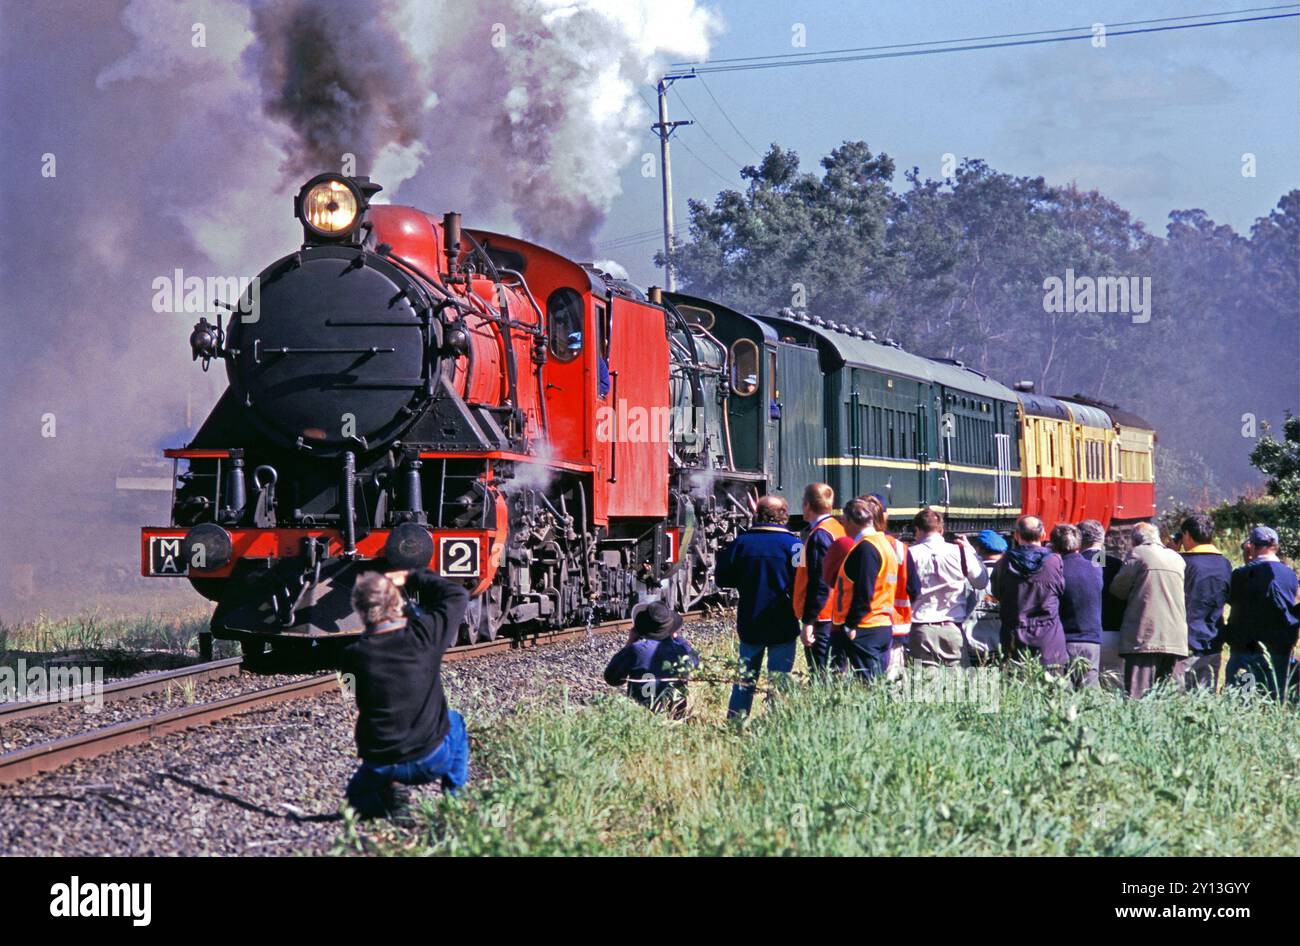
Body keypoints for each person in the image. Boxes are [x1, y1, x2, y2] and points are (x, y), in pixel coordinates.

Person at [341, 568, 470, 819]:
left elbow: (352, 694)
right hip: (431, 759)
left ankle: (389, 798)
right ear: (398, 603)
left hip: (381, 763)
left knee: (355, 802)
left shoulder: (351, 655)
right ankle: (455, 801)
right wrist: (412, 576)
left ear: (360, 610)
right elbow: (457, 595)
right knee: (455, 722)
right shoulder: (424, 636)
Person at [716, 495, 802, 718]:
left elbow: (723, 579)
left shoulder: (740, 544)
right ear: (783, 516)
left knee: (744, 678)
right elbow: (802, 581)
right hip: (783, 621)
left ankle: (736, 720)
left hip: (750, 620)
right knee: (780, 678)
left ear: (758, 514)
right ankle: (777, 720)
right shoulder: (795, 546)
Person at [1110, 522, 1188, 698]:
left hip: (1145, 637)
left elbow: (1118, 589)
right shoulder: (1177, 558)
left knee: (1138, 696)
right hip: (1175, 638)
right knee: (1170, 698)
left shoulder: (1137, 554)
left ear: (1135, 541)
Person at [1224, 525, 1300, 700]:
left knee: (1244, 704)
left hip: (1246, 651)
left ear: (1251, 546)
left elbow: (1232, 599)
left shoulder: (1240, 575)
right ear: (1276, 545)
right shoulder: (1289, 574)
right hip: (1279, 650)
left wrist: (1246, 560)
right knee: (1277, 700)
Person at [906, 507, 988, 668]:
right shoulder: (960, 552)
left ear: (917, 530)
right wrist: (972, 552)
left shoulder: (909, 554)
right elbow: (981, 582)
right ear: (941, 530)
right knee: (955, 687)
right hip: (953, 627)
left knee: (924, 685)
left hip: (920, 628)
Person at [828, 496, 897, 681]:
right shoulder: (883, 543)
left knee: (870, 689)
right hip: (881, 624)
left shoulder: (866, 548)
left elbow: (864, 591)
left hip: (865, 627)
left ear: (850, 521)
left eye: (844, 521)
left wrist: (851, 624)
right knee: (875, 684)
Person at [990, 515, 1068, 670]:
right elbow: (1061, 590)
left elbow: (997, 593)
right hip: (1049, 642)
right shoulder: (1055, 561)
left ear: (1016, 536)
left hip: (1014, 639)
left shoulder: (1003, 563)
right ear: (1043, 535)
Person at [604, 601, 700, 717]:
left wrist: (629, 643)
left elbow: (612, 678)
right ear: (671, 629)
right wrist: (679, 639)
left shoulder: (636, 650)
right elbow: (695, 659)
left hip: (641, 716)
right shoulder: (681, 651)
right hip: (674, 717)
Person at [791, 483, 844, 674]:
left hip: (823, 617)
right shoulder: (837, 528)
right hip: (837, 611)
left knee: (821, 673)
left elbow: (820, 582)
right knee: (835, 672)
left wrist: (809, 621)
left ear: (807, 505)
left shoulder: (820, 535)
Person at [1176, 514, 1232, 691]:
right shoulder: (1224, 564)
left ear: (1187, 535)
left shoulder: (1183, 562)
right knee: (1204, 700)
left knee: (1178, 700)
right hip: (1213, 641)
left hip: (1185, 643)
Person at [1051, 523, 1102, 688]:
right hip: (1091, 640)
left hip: (1063, 640)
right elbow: (1098, 553)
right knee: (1089, 698)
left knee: (1062, 698)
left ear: (1053, 545)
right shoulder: (1095, 568)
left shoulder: (1055, 570)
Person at [962, 529, 1007, 665]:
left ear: (978, 549)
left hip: (970, 647)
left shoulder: (967, 577)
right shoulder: (1010, 576)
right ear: (1003, 552)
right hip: (1000, 647)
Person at [1078, 519, 1125, 635]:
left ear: (1078, 540)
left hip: (1083, 633)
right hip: (1113, 631)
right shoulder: (1117, 564)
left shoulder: (1074, 564)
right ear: (1102, 539)